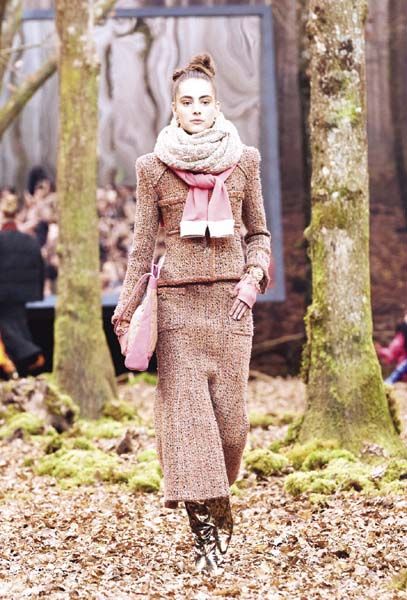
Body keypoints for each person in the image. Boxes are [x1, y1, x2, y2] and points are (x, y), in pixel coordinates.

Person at [112, 53, 272, 575]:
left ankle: (220, 500)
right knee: (188, 426)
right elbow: (141, 249)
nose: (197, 109)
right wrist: (126, 312)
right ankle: (203, 528)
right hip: (178, 308)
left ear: (217, 106)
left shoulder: (245, 160)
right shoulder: (152, 168)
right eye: (187, 102)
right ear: (174, 108)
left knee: (231, 428)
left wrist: (253, 278)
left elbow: (259, 233)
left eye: (205, 101)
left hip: (232, 308)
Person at [0, 193, 45, 376]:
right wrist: (38, 293)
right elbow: (40, 267)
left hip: (3, 295)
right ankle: (23, 366)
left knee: (8, 328)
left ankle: (31, 355)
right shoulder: (30, 241)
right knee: (18, 326)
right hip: (23, 294)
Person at [376, 310, 407, 384]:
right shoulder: (402, 334)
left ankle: (389, 381)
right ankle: (389, 381)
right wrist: (380, 350)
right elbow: (392, 351)